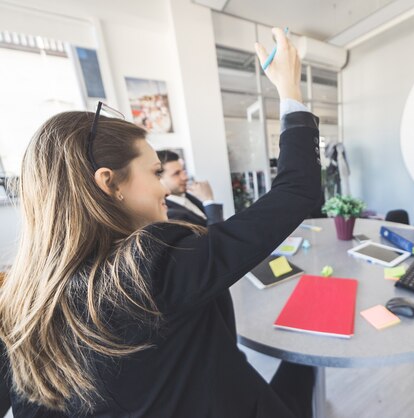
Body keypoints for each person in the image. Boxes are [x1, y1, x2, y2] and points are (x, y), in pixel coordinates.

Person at [0, 28, 320, 417]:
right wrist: (290, 89)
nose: (165, 188)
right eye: (155, 172)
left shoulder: (20, 304)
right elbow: (296, 191)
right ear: (109, 183)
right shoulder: (149, 265)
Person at [156, 149, 224, 226]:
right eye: (176, 174)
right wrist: (208, 201)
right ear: (159, 179)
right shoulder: (168, 213)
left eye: (183, 171)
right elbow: (214, 236)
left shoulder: (187, 195)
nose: (185, 177)